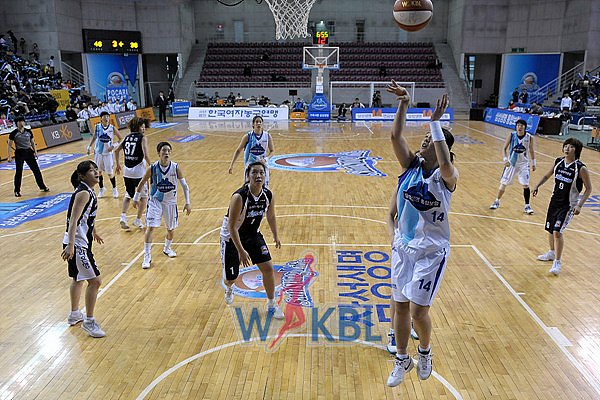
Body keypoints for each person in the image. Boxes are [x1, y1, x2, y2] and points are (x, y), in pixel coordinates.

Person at [384, 81, 458, 387]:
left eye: (430, 139)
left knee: (418, 310)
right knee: (400, 306)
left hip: (432, 252)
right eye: (426, 138)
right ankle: (403, 358)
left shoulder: (447, 178)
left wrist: (435, 123)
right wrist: (404, 103)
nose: (424, 141)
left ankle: (425, 351)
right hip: (404, 248)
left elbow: (443, 160)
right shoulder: (410, 166)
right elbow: (395, 135)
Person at [220, 161, 283, 319]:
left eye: (261, 172)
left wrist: (276, 235)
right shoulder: (239, 197)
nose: (258, 175)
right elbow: (232, 226)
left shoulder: (267, 195)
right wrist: (241, 251)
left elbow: (271, 215)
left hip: (253, 234)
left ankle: (271, 304)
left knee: (268, 268)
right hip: (232, 237)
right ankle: (229, 287)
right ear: (248, 176)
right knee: (230, 278)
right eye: (254, 172)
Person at [533, 138, 592, 275]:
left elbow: (588, 189)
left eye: (570, 147)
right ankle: (552, 253)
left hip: (568, 205)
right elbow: (548, 175)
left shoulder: (581, 168)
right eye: (565, 146)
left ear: (576, 150)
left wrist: (579, 205)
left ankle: (557, 263)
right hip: (555, 201)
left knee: (558, 232)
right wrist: (537, 185)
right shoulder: (558, 162)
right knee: (550, 229)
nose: (567, 148)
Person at [61, 160, 106, 338]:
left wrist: (94, 230)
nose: (96, 172)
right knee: (95, 281)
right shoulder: (83, 193)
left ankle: (74, 314)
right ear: (82, 175)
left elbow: (85, 217)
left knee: (78, 279)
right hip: (77, 243)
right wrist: (71, 245)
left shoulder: (88, 191)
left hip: (79, 241)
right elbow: (73, 220)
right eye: (91, 170)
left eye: (96, 169)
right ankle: (89, 321)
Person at [133, 142, 192, 269]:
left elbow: (185, 186)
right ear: (159, 153)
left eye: (168, 151)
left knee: (170, 229)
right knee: (150, 227)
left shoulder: (176, 167)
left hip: (170, 202)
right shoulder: (152, 168)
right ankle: (147, 256)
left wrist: (188, 202)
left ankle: (167, 248)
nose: (166, 153)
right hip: (155, 201)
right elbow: (142, 182)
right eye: (164, 150)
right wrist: (136, 198)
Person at [489, 119, 536, 214]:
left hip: (524, 164)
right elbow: (504, 148)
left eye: (521, 125)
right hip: (512, 163)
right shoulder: (512, 135)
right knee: (504, 183)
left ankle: (527, 206)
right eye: (518, 125)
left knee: (525, 185)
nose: (519, 127)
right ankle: (497, 201)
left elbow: (531, 150)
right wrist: (505, 159)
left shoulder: (529, 137)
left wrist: (534, 163)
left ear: (525, 127)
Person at [115, 117, 151, 230]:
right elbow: (145, 155)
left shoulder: (127, 137)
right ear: (137, 127)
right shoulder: (143, 138)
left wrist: (117, 164)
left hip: (127, 171)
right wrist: (152, 166)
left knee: (128, 194)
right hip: (139, 171)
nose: (144, 128)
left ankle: (123, 216)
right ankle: (138, 220)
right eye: (142, 126)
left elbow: (116, 150)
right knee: (144, 197)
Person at [7, 116, 50, 197]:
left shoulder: (29, 132)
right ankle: (17, 191)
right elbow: (9, 145)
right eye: (20, 121)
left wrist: (35, 152)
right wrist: (9, 156)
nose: (22, 123)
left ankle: (43, 186)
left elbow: (33, 142)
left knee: (36, 170)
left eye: (22, 121)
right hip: (20, 153)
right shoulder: (13, 133)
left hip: (29, 152)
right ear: (17, 123)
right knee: (19, 172)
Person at [228, 115, 274, 187]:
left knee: (265, 188)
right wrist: (232, 165)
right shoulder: (247, 136)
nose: (258, 123)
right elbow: (238, 150)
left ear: (262, 124)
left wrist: (266, 159)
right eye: (256, 122)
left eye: (260, 122)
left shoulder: (267, 136)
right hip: (250, 166)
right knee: (249, 188)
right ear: (253, 124)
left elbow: (272, 151)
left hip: (262, 166)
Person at [87, 111, 123, 198]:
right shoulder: (97, 127)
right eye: (104, 116)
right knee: (98, 172)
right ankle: (101, 189)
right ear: (101, 118)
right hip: (98, 153)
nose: (106, 118)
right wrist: (89, 146)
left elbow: (121, 138)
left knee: (110, 173)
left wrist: (113, 145)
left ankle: (114, 189)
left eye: (107, 116)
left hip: (108, 153)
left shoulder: (112, 128)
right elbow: (95, 137)